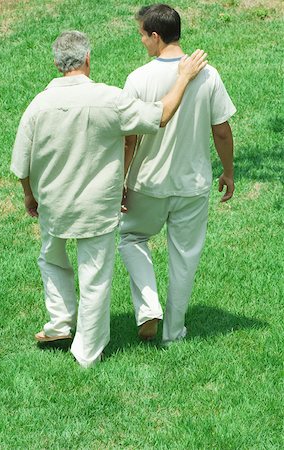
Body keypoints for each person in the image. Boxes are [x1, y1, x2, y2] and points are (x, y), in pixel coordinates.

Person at [10, 30, 207, 367]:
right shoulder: (109, 99)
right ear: (88, 59)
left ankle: (58, 323)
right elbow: (159, 116)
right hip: (97, 206)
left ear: (57, 64)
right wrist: (185, 77)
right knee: (95, 277)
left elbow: (21, 164)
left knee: (51, 260)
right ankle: (87, 353)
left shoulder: (38, 105)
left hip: (52, 204)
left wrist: (30, 196)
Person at [119, 4, 236, 345]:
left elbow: (129, 139)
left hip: (147, 183)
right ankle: (173, 333)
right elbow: (223, 131)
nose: (141, 41)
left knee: (131, 239)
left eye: (142, 35)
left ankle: (148, 307)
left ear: (155, 36)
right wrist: (228, 171)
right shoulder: (208, 75)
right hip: (193, 186)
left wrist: (121, 182)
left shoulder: (137, 79)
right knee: (184, 258)